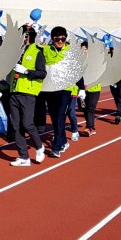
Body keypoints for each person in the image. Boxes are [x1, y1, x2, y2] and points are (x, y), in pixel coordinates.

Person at [7, 25, 47, 166]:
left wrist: (26, 71)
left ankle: (39, 147)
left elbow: (42, 73)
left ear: (28, 36)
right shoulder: (16, 51)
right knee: (16, 126)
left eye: (23, 35)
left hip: (28, 92)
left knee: (27, 124)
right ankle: (24, 156)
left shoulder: (37, 52)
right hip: (14, 91)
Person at [39, 26, 77, 158]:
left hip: (65, 89)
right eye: (57, 39)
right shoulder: (45, 50)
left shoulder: (71, 51)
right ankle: (63, 141)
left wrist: (81, 88)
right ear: (52, 39)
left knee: (60, 116)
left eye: (63, 38)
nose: (60, 41)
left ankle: (56, 147)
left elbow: (77, 70)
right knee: (55, 117)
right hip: (50, 89)